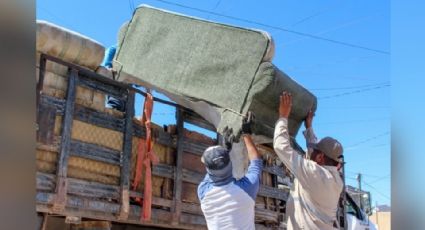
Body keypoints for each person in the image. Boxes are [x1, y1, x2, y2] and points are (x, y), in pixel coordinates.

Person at [274, 92, 344, 230]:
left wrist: (283, 117)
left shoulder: (314, 173)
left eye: (316, 152)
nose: (310, 152)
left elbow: (280, 146)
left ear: (320, 158)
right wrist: (309, 128)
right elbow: (314, 153)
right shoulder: (337, 182)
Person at [197, 113, 263, 230]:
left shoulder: (203, 192)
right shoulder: (246, 189)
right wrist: (246, 134)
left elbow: (256, 162)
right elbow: (256, 161)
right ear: (230, 164)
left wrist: (227, 150)